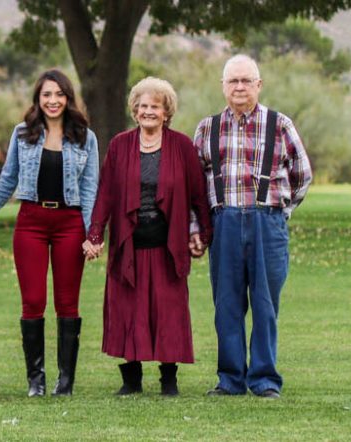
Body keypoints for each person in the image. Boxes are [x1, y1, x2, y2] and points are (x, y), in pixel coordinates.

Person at [193, 55, 312, 399]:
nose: (240, 87)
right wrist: (196, 226)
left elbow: (302, 175)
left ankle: (264, 379)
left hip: (267, 223)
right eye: (233, 81)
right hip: (224, 223)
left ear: (259, 85)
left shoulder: (280, 124)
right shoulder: (207, 128)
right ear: (223, 86)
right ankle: (230, 379)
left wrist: (281, 211)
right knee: (226, 305)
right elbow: (194, 186)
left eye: (246, 80)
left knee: (265, 305)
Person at [84, 77, 212, 396]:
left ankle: (169, 379)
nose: (148, 111)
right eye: (142, 106)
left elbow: (198, 195)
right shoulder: (120, 145)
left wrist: (203, 233)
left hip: (168, 245)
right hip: (129, 243)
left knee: (169, 311)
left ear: (166, 112)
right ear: (135, 110)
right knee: (128, 309)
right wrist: (95, 233)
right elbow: (106, 193)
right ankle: (131, 379)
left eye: (155, 106)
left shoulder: (182, 146)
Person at [0, 69, 99, 397]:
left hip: (70, 223)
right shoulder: (22, 133)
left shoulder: (85, 137)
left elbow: (90, 189)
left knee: (67, 302)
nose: (53, 101)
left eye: (59, 94)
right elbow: (8, 178)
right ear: (38, 99)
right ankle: (35, 380)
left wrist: (92, 234)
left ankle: (65, 381)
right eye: (46, 95)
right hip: (31, 222)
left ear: (68, 98)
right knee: (33, 300)